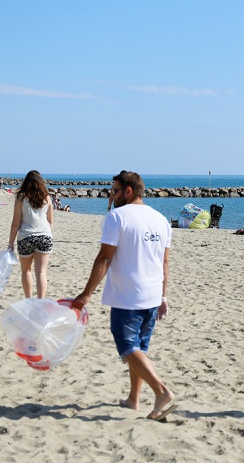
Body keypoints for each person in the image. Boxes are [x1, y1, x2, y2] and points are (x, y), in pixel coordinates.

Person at [72, 171, 176, 422]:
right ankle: (133, 399)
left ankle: (161, 392)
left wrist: (86, 295)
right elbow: (164, 263)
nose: (112, 195)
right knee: (139, 349)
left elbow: (105, 258)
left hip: (128, 296)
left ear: (128, 191)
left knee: (128, 348)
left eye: (115, 191)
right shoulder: (160, 219)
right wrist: (163, 297)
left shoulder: (117, 217)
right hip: (152, 296)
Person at [7, 170, 53, 299]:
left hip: (26, 237)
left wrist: (10, 242)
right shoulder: (47, 198)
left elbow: (16, 223)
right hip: (45, 236)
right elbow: (50, 221)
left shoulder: (21, 198)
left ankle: (29, 300)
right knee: (41, 272)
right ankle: (41, 301)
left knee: (26, 270)